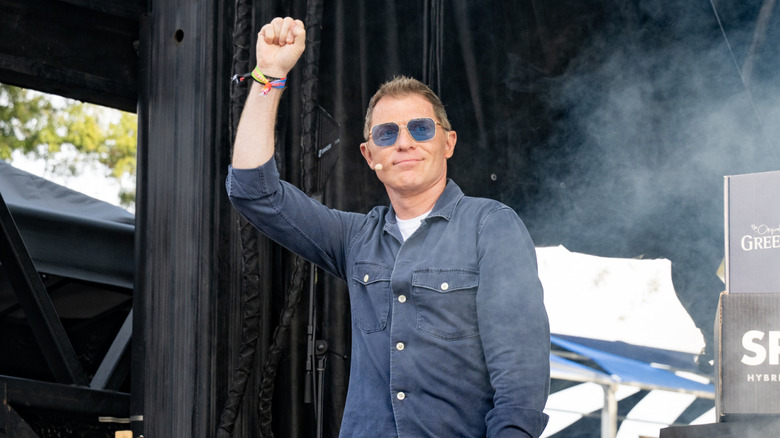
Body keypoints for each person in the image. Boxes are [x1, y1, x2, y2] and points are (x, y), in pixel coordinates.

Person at [227, 16, 550, 438]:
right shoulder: (356, 238)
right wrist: (270, 75)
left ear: (448, 143)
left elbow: (520, 388)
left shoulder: (491, 227)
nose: (404, 142)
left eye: (420, 128)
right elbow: (253, 190)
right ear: (368, 155)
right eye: (386, 133)